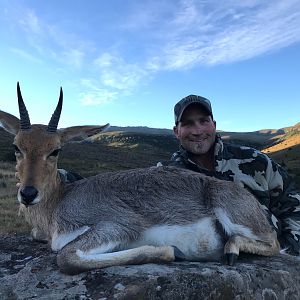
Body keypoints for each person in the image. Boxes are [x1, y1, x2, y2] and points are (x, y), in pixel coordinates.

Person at [158, 94, 300, 255]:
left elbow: (293, 204)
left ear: (214, 125)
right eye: (188, 123)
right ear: (176, 131)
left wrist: (289, 251)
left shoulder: (255, 161)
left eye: (204, 121)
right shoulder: (163, 176)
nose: (198, 131)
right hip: (201, 261)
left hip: (272, 255)